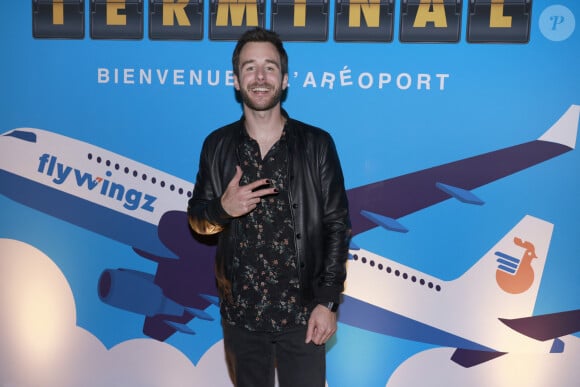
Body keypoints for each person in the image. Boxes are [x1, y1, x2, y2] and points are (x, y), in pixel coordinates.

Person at [187, 27, 351, 387]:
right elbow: (198, 222)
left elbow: (337, 226)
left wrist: (329, 302)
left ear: (285, 79)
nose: (259, 77)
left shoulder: (317, 144)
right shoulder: (216, 146)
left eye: (269, 68)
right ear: (236, 80)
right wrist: (222, 209)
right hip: (242, 318)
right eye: (249, 68)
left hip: (304, 316)